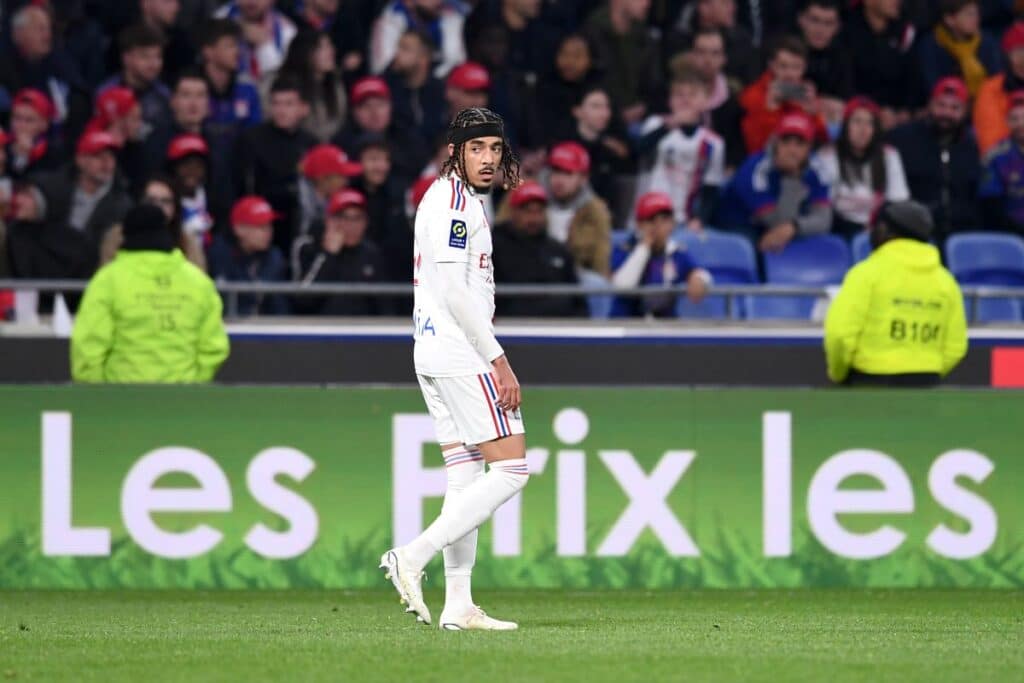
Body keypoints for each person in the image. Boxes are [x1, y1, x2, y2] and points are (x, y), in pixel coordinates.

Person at [383, 107, 527, 631]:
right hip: (460, 351)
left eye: (495, 148)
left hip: (432, 349)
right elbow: (454, 291)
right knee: (511, 469)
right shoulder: (454, 204)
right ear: (455, 152)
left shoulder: (450, 197)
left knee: (466, 478)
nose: (488, 158)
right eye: (476, 148)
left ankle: (459, 605)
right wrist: (499, 360)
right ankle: (412, 556)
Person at [71, 203, 228, 383]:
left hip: (121, 394)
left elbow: (88, 345)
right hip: (183, 395)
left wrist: (98, 391)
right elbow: (214, 348)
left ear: (125, 235)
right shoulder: (198, 281)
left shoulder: (108, 280)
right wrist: (194, 384)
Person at [824, 200, 968, 386]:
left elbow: (839, 336)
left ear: (884, 230)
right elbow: (956, 347)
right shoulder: (946, 281)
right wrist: (927, 372)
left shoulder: (866, 274)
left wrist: (839, 374)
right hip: (926, 385)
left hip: (868, 383)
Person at [718, 112, 832, 252]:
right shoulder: (754, 169)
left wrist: (795, 226)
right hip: (737, 224)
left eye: (800, 143)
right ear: (776, 142)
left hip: (788, 224)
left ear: (809, 147)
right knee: (754, 247)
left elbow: (824, 220)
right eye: (786, 141)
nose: (792, 150)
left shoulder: (818, 169)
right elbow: (777, 222)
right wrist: (791, 178)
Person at [887, 77, 981, 241]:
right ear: (930, 105)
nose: (946, 113)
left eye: (955, 108)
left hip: (961, 232)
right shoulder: (902, 139)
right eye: (941, 105)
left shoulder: (972, 147)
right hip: (913, 231)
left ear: (966, 111)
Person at [635, 68, 726, 231]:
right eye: (679, 95)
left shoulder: (713, 143)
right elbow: (638, 151)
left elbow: (710, 189)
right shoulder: (655, 124)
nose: (685, 100)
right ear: (670, 100)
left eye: (692, 95)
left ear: (705, 101)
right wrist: (670, 125)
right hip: (647, 216)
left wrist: (699, 219)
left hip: (684, 220)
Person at [234, 75, 317, 252]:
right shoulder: (252, 140)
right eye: (276, 103)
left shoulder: (311, 144)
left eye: (288, 104)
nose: (281, 110)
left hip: (299, 225)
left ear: (304, 108)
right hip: (261, 224)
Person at [812, 97, 910, 239]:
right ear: (846, 126)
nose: (863, 129)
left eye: (869, 123)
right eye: (857, 121)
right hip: (837, 229)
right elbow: (824, 206)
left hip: (878, 230)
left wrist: (877, 225)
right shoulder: (827, 156)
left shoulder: (889, 155)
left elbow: (897, 201)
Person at [491, 181, 588, 317]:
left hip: (558, 324)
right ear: (513, 212)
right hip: (511, 323)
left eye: (539, 211)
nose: (534, 218)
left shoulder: (557, 250)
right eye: (528, 211)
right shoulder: (493, 247)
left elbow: (578, 300)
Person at [291, 188, 393, 315]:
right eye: (344, 218)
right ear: (329, 221)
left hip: (362, 326)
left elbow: (385, 306)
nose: (352, 226)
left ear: (366, 222)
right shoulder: (308, 248)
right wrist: (328, 255)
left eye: (357, 218)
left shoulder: (372, 254)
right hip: (320, 325)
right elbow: (303, 301)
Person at [610, 191, 711, 318]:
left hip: (666, 324)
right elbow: (623, 287)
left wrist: (699, 278)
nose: (658, 226)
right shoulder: (624, 250)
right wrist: (644, 247)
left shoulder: (676, 251)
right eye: (652, 220)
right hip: (627, 323)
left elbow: (700, 273)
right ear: (639, 224)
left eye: (665, 219)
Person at [0, 5, 92, 144]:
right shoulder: (3, 65)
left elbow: (79, 100)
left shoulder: (61, 64)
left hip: (56, 142)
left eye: (48, 29)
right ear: (17, 33)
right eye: (40, 29)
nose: (47, 36)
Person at [333, 76, 431, 184]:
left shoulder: (408, 138)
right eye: (366, 106)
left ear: (390, 107)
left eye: (380, 105)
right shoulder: (341, 145)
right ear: (354, 112)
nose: (375, 113)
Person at [739, 36, 826, 154]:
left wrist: (814, 116)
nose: (790, 74)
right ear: (771, 65)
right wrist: (771, 110)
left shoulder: (806, 95)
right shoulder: (752, 96)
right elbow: (755, 147)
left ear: (804, 67)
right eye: (783, 66)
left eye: (796, 67)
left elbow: (823, 145)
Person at [100, 174, 207, 270]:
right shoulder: (117, 236)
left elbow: (198, 277)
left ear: (175, 208)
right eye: (151, 200)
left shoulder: (187, 241)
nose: (158, 207)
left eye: (165, 201)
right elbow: (107, 274)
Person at [843, 0, 922, 128]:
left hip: (896, 116)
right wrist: (874, 110)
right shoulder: (846, 31)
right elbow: (846, 84)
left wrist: (905, 111)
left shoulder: (904, 31)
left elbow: (913, 80)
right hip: (857, 112)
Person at [584, 0, 664, 126]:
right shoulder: (590, 34)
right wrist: (616, 113)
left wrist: (644, 106)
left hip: (642, 120)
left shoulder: (645, 37)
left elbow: (655, 84)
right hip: (599, 122)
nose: (647, 3)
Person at [207, 195, 290, 315]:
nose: (268, 232)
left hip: (265, 324)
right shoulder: (220, 253)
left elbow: (280, 306)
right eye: (261, 226)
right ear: (239, 229)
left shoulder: (274, 257)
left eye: (269, 225)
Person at [543, 142, 613, 276]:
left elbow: (601, 260)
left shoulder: (595, 210)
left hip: (577, 276)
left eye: (568, 173)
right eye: (556, 171)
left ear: (583, 178)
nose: (559, 179)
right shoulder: (531, 199)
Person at [567, 85, 633, 221]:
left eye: (606, 107)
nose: (604, 113)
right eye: (596, 106)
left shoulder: (614, 150)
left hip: (605, 220)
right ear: (577, 111)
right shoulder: (563, 147)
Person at [352, 134, 413, 280]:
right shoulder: (348, 195)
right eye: (373, 159)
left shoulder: (400, 196)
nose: (381, 167)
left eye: (385, 160)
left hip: (395, 276)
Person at [98, 23, 173, 138]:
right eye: (145, 57)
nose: (153, 64)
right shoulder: (105, 93)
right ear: (126, 58)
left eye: (158, 57)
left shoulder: (165, 96)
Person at [685, 27, 745, 169]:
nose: (708, 60)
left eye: (715, 53)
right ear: (691, 56)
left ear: (724, 59)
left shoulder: (734, 98)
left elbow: (737, 149)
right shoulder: (674, 94)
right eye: (701, 52)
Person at [916, 0, 1002, 98]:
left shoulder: (987, 42)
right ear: (949, 19)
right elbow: (931, 84)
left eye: (977, 13)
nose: (976, 19)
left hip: (983, 100)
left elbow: (997, 79)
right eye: (969, 14)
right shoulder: (931, 44)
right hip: (945, 101)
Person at [665, 0, 761, 86]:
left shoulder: (741, 39)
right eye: (725, 3)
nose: (733, 7)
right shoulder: (679, 39)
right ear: (704, 7)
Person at [278, 29, 347, 142]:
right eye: (322, 48)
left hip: (329, 146)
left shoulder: (334, 83)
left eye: (330, 46)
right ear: (305, 52)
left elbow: (339, 121)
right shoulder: (281, 83)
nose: (331, 52)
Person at [370, 0, 467, 78]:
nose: (439, 2)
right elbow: (381, 67)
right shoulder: (391, 17)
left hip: (437, 82)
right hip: (397, 83)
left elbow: (456, 61)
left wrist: (430, 81)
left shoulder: (450, 15)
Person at [535, 33, 600, 145]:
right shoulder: (545, 89)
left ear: (590, 59)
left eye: (577, 56)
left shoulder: (598, 90)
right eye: (564, 54)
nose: (569, 62)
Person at [385, 29, 447, 145]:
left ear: (424, 57)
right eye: (398, 47)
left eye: (405, 49)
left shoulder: (439, 90)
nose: (397, 54)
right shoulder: (388, 87)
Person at [797, 0, 853, 127]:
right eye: (814, 20)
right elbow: (774, 90)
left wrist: (815, 102)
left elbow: (844, 103)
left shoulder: (843, 56)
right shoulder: (786, 50)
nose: (820, 30)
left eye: (828, 23)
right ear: (801, 20)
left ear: (837, 27)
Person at [215, 0, 298, 85]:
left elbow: (282, 80)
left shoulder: (287, 31)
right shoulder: (220, 19)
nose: (252, 1)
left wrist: (264, 45)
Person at [974, 22, 1024, 156]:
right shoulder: (992, 89)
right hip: (1005, 162)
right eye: (1018, 51)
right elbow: (990, 142)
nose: (1023, 59)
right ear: (1006, 57)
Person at [295, 143, 363, 239]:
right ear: (323, 179)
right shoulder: (295, 203)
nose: (346, 181)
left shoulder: (333, 200)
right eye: (341, 176)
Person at [980, 91, 1024, 236]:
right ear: (1006, 122)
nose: (1021, 124)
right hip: (1010, 235)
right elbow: (991, 205)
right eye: (1015, 118)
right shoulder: (995, 157)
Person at [166, 134, 216, 244]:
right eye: (186, 165)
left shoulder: (215, 199)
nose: (192, 171)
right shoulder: (164, 200)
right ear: (173, 168)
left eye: (198, 166)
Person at [5, 88, 61, 180]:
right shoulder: (3, 146)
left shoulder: (54, 152)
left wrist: (24, 156)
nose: (21, 125)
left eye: (29, 120)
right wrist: (20, 156)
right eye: (17, 118)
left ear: (44, 124)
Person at [139, 0, 196, 84]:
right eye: (168, 1)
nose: (176, 7)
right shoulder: (124, 36)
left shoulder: (182, 41)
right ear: (146, 3)